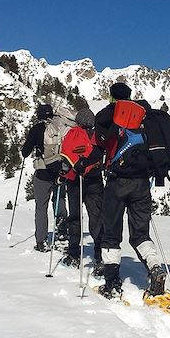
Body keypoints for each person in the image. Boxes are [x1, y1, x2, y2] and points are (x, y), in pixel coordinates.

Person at [94, 82, 167, 299]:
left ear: (111, 97)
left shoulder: (109, 115)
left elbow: (100, 144)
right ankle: (154, 267)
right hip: (142, 183)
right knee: (140, 234)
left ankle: (112, 282)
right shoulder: (143, 118)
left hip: (117, 182)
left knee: (111, 233)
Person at [58, 108, 104, 273]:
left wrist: (62, 174)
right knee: (96, 217)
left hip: (74, 180)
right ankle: (99, 256)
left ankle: (73, 254)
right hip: (94, 180)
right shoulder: (97, 135)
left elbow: (63, 157)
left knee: (75, 217)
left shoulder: (71, 134)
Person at [21, 104, 67, 252]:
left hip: (42, 172)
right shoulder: (60, 128)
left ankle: (41, 241)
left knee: (41, 207)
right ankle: (62, 233)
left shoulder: (36, 129)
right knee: (59, 201)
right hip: (59, 172)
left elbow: (25, 152)